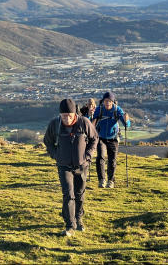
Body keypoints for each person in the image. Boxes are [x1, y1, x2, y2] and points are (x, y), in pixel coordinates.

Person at [44, 98, 98, 237]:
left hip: (82, 165)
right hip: (64, 166)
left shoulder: (84, 123)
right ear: (60, 115)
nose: (67, 119)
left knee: (80, 194)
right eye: (64, 116)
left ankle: (79, 219)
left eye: (69, 116)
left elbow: (94, 139)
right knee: (68, 194)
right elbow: (48, 142)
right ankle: (70, 225)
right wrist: (56, 156)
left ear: (75, 113)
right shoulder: (55, 124)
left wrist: (87, 156)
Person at [92, 91, 130, 189]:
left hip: (113, 139)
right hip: (100, 137)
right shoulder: (99, 110)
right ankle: (101, 180)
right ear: (103, 101)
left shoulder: (117, 110)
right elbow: (92, 122)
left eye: (109, 101)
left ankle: (111, 180)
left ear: (112, 102)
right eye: (106, 101)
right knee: (100, 157)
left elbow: (126, 124)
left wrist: (126, 120)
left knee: (112, 161)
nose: (107, 103)